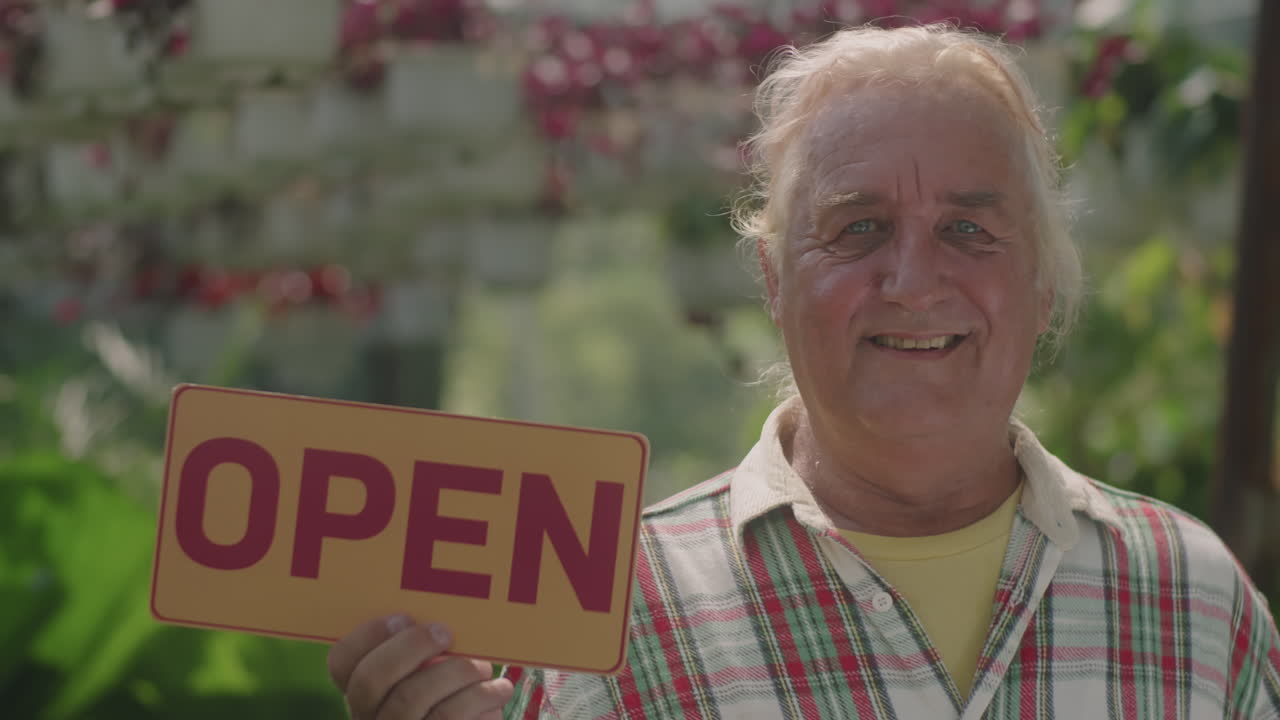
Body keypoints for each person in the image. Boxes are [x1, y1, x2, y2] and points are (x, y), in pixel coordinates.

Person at [325, 23, 1280, 719]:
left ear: (1040, 281)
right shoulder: (613, 620)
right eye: (859, 227)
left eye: (967, 229)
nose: (913, 283)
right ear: (775, 280)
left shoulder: (1192, 597)